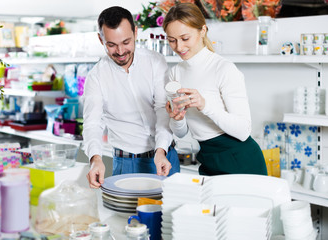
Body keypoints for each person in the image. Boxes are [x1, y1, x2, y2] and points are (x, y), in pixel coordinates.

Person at [162, 3, 267, 176]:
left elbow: (243, 130)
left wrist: (205, 105)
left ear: (202, 30)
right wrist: (177, 117)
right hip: (208, 159)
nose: (179, 47)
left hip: (241, 160)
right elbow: (180, 133)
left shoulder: (223, 69)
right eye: (172, 40)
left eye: (185, 38)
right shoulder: (176, 72)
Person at [83, 6, 180, 188]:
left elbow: (162, 109)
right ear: (100, 39)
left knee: (172, 214)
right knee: (127, 217)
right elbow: (92, 124)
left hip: (165, 155)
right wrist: (95, 159)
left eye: (126, 42)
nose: (120, 51)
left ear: (136, 32)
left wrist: (161, 150)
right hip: (127, 164)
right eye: (111, 45)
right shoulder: (96, 77)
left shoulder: (155, 61)